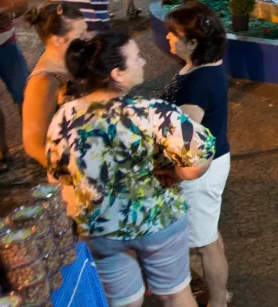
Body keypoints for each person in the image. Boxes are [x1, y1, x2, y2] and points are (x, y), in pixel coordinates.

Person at [47, 31, 215, 307]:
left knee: (123, 301)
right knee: (175, 294)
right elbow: (197, 163)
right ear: (117, 73)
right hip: (157, 222)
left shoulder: (65, 116)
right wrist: (175, 174)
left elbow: (58, 177)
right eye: (136, 58)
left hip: (99, 228)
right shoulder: (154, 113)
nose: (144, 61)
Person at [162, 3, 231, 307]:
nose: (167, 38)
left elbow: (183, 139)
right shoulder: (199, 66)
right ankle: (220, 293)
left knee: (205, 243)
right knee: (209, 234)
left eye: (173, 34)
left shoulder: (199, 83)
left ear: (194, 42)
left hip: (202, 170)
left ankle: (217, 300)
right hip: (211, 163)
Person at [21, 3, 86, 166]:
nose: (87, 37)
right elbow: (34, 145)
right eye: (80, 34)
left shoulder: (72, 60)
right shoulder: (42, 82)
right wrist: (71, 176)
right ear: (57, 40)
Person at [0, 0, 27, 173]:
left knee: (25, 95)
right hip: (7, 46)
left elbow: (22, 5)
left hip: (8, 46)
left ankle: (32, 145)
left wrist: (11, 12)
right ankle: (3, 152)